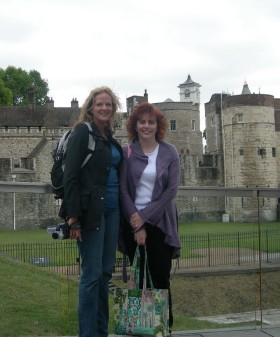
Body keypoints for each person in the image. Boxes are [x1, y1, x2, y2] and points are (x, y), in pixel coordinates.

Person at [59, 86, 123, 337]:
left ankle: (100, 331)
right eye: (100, 104)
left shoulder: (108, 135)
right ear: (90, 108)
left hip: (112, 210)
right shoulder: (82, 133)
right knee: (91, 275)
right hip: (91, 212)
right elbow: (71, 175)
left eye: (108, 104)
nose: (104, 108)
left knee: (105, 273)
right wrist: (73, 217)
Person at [120, 101, 181, 292]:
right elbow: (123, 190)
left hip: (160, 222)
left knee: (161, 281)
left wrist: (144, 218)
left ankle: (161, 322)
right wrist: (137, 224)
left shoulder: (169, 152)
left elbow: (170, 190)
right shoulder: (126, 152)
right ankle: (141, 323)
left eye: (151, 122)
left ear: (158, 126)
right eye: (142, 122)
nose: (146, 126)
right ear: (134, 126)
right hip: (132, 221)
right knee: (139, 280)